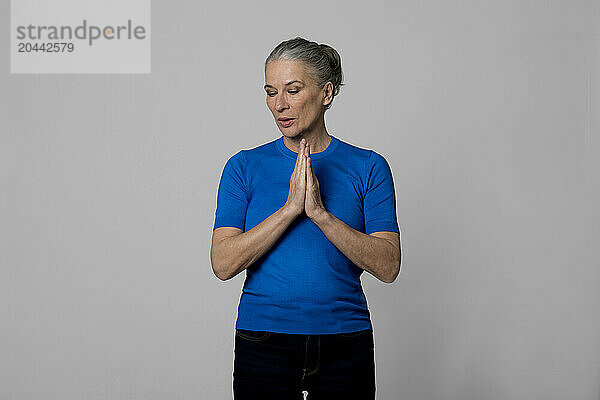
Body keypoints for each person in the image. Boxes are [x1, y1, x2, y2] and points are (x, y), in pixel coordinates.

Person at [210, 37, 402, 400]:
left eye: (293, 90)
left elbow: (389, 266)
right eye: (270, 92)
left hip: (344, 341)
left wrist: (320, 214)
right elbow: (222, 263)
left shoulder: (369, 167)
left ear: (326, 93)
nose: (279, 104)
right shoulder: (243, 167)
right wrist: (289, 211)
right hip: (263, 340)